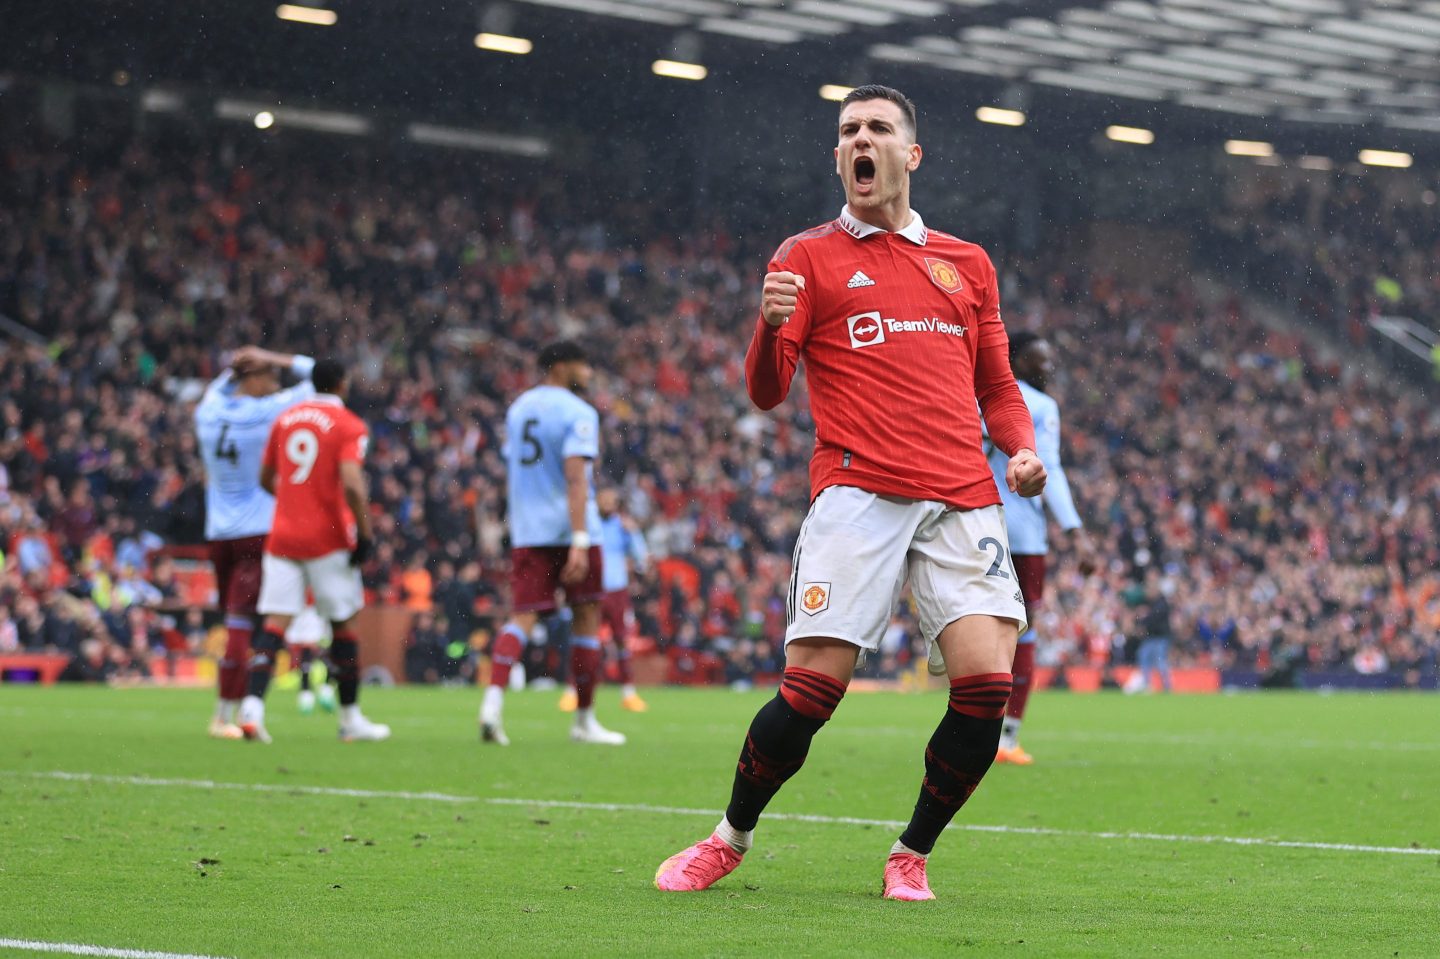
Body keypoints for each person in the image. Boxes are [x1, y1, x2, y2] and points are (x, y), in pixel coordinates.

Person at [654, 85, 1047, 901]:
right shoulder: (805, 257)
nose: (860, 139)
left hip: (962, 497)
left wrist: (1021, 449)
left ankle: (912, 853)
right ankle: (729, 837)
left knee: (986, 689)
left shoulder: (968, 263)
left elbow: (998, 385)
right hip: (859, 494)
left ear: (912, 154)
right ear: (839, 157)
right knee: (810, 693)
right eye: (847, 131)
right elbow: (767, 391)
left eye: (877, 128)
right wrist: (768, 324)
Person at [480, 341, 625, 747]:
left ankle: (491, 705)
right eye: (583, 365)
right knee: (586, 618)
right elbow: (576, 478)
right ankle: (584, 721)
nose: (589, 373)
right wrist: (578, 539)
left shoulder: (519, 408)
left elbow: (516, 465)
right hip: (573, 529)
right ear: (561, 367)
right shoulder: (578, 412)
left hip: (529, 531)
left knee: (522, 617)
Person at [239, 359, 390, 743]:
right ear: (342, 384)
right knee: (343, 626)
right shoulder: (349, 424)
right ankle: (350, 718)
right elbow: (352, 484)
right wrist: (365, 535)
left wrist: (293, 502)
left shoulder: (286, 419)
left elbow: (265, 477)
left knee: (275, 624)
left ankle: (251, 709)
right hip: (329, 538)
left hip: (283, 537)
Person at [978, 332, 1098, 765]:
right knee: (1023, 634)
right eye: (1039, 359)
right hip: (1023, 539)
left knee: (978, 630)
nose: (1048, 367)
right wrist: (1076, 532)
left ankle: (974, 730)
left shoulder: (975, 395)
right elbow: (1053, 470)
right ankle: (1007, 739)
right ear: (1016, 359)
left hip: (975, 528)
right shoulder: (1040, 406)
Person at [194, 345, 315, 739]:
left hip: (218, 534)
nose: (275, 384)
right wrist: (275, 356)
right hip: (256, 532)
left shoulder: (208, 411)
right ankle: (224, 715)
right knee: (243, 627)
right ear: (255, 378)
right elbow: (321, 376)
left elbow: (220, 386)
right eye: (269, 376)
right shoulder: (266, 413)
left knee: (236, 621)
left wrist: (236, 367)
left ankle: (232, 709)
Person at [558, 487, 649, 713]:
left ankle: (628, 693)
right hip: (592, 590)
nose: (608, 504)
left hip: (617, 592)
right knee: (584, 638)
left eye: (612, 500)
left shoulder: (622, 526)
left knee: (621, 641)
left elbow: (641, 558)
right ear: (596, 502)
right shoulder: (587, 526)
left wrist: (634, 533)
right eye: (604, 500)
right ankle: (572, 691)